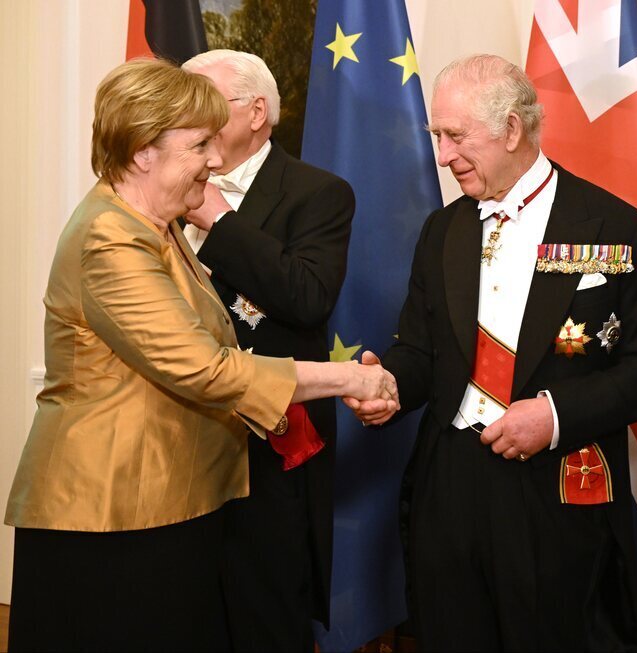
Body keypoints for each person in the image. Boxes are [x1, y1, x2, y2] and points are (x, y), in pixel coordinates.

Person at [3, 58, 395, 653]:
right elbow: (206, 368)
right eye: (199, 145)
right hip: (110, 512)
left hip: (164, 503)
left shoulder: (151, 225)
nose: (215, 161)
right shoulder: (113, 237)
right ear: (142, 153)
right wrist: (349, 379)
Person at [349, 54, 637, 652]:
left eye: (456, 137)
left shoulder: (616, 228)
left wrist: (554, 416)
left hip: (555, 488)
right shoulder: (442, 230)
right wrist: (391, 384)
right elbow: (421, 352)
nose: (444, 156)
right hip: (449, 485)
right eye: (438, 137)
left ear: (511, 129)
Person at [180, 49, 354, 652]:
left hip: (268, 444)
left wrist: (220, 221)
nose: (187, 114)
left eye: (204, 100)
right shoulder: (164, 186)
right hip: (176, 440)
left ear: (257, 112)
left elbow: (307, 299)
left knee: (265, 618)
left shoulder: (318, 193)